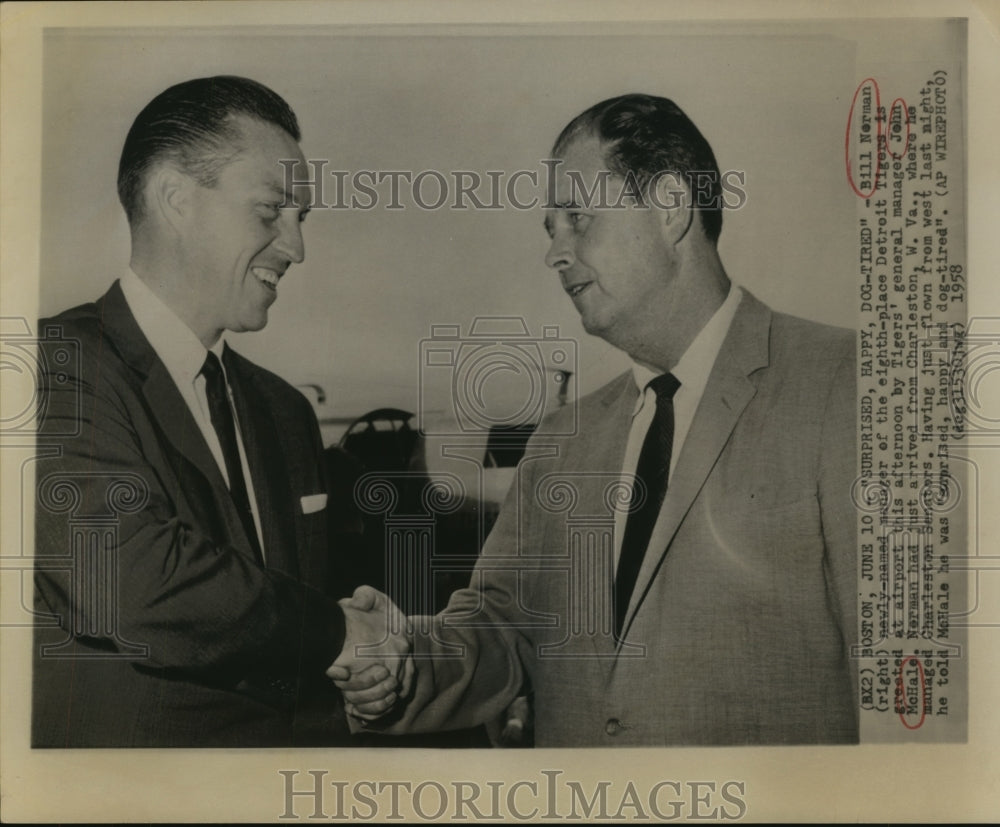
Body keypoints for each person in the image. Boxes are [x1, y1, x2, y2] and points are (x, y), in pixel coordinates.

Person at [331, 93, 859, 746]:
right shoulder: (562, 439)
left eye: (577, 218)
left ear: (669, 207)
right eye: (549, 228)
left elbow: (908, 684)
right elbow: (500, 628)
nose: (554, 253)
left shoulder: (848, 383)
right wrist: (402, 658)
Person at [32, 75, 407, 748]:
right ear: (176, 199)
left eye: (302, 219)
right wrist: (340, 634)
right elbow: (129, 580)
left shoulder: (284, 410)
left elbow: (280, 627)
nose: (297, 249)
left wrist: (358, 682)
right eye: (271, 212)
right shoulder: (51, 365)